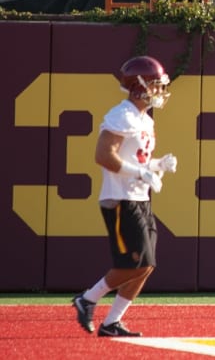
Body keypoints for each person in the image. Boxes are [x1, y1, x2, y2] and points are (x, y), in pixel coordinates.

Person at [71, 55, 178, 337]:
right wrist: (141, 173)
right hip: (120, 198)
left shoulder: (143, 118)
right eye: (154, 84)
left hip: (139, 197)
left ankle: (112, 322)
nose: (159, 90)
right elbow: (103, 156)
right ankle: (88, 299)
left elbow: (137, 160)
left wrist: (157, 166)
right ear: (137, 84)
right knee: (133, 264)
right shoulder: (122, 115)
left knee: (147, 266)